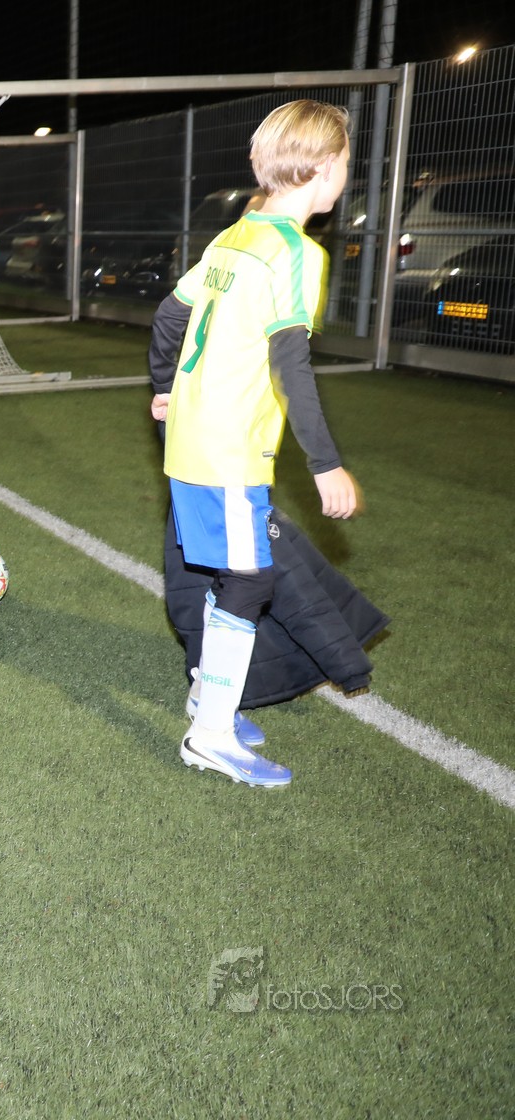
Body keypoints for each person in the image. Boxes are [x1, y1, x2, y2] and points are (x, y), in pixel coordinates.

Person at [148, 100, 361, 788]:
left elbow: (169, 316)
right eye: (345, 163)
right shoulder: (296, 252)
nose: (345, 176)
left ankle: (206, 701)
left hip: (189, 436)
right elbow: (291, 364)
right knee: (248, 581)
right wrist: (325, 463)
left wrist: (163, 389)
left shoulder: (234, 236)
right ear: (322, 167)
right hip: (229, 449)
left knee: (229, 575)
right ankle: (210, 736)